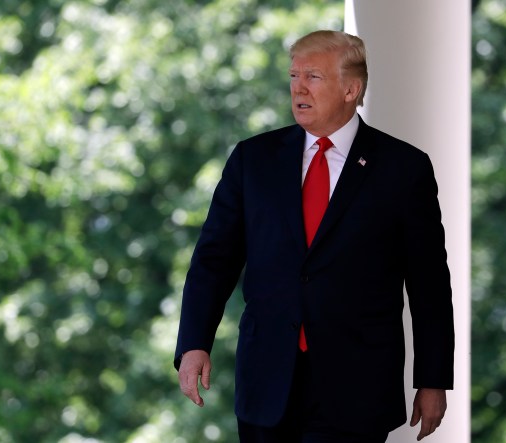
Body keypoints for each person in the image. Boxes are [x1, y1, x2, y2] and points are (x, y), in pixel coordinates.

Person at [174, 30, 454, 443]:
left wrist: (433, 379)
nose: (298, 87)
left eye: (313, 77)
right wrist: (194, 342)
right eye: (293, 76)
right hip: (267, 382)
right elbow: (213, 261)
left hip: (356, 387)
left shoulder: (403, 168)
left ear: (350, 88)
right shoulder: (253, 160)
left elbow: (429, 282)